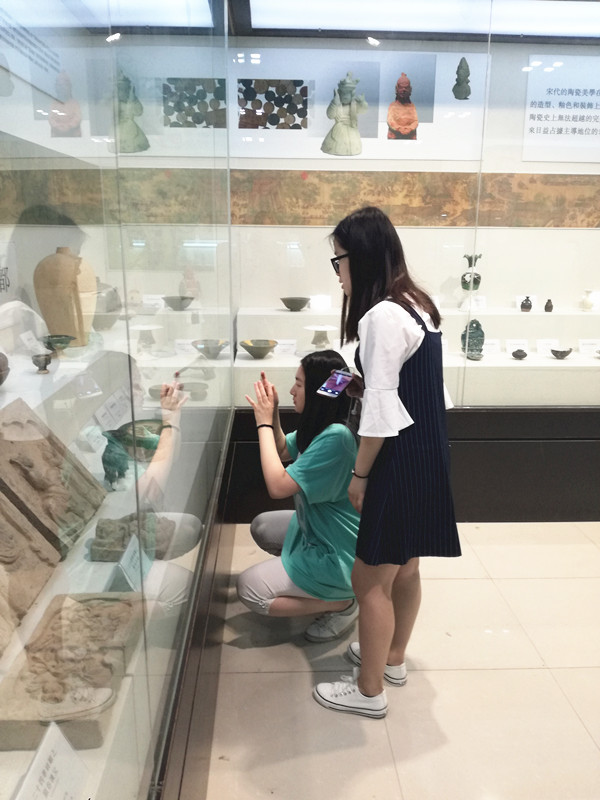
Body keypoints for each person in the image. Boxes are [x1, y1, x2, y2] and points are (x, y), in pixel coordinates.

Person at [313, 206, 461, 718]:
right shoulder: (418, 305)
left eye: (338, 260)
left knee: (369, 578)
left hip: (396, 458)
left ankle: (369, 690)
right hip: (429, 453)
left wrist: (359, 475)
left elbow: (379, 415)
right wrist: (365, 387)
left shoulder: (379, 315)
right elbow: (424, 391)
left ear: (361, 258)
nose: (338, 272)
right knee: (407, 565)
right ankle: (393, 659)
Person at [236, 350, 360, 642]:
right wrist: (273, 414)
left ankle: (342, 602)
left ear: (318, 391)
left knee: (249, 589)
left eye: (299, 384)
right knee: (262, 526)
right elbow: (282, 450)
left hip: (339, 552)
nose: (292, 390)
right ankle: (310, 584)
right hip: (318, 530)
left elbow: (277, 487)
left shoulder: (337, 438)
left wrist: (263, 423)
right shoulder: (322, 426)